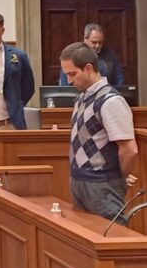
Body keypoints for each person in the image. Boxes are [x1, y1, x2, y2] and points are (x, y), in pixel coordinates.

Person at [59, 41, 139, 222]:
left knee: (110, 234)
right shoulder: (81, 98)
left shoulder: (111, 101)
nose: (69, 81)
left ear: (88, 68)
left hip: (102, 184)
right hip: (79, 181)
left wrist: (120, 177)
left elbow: (129, 149)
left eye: (72, 74)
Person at [58, 23, 125, 86]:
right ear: (85, 39)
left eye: (100, 42)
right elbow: (65, 85)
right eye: (94, 42)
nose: (97, 46)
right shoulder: (72, 55)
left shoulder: (110, 55)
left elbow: (119, 79)